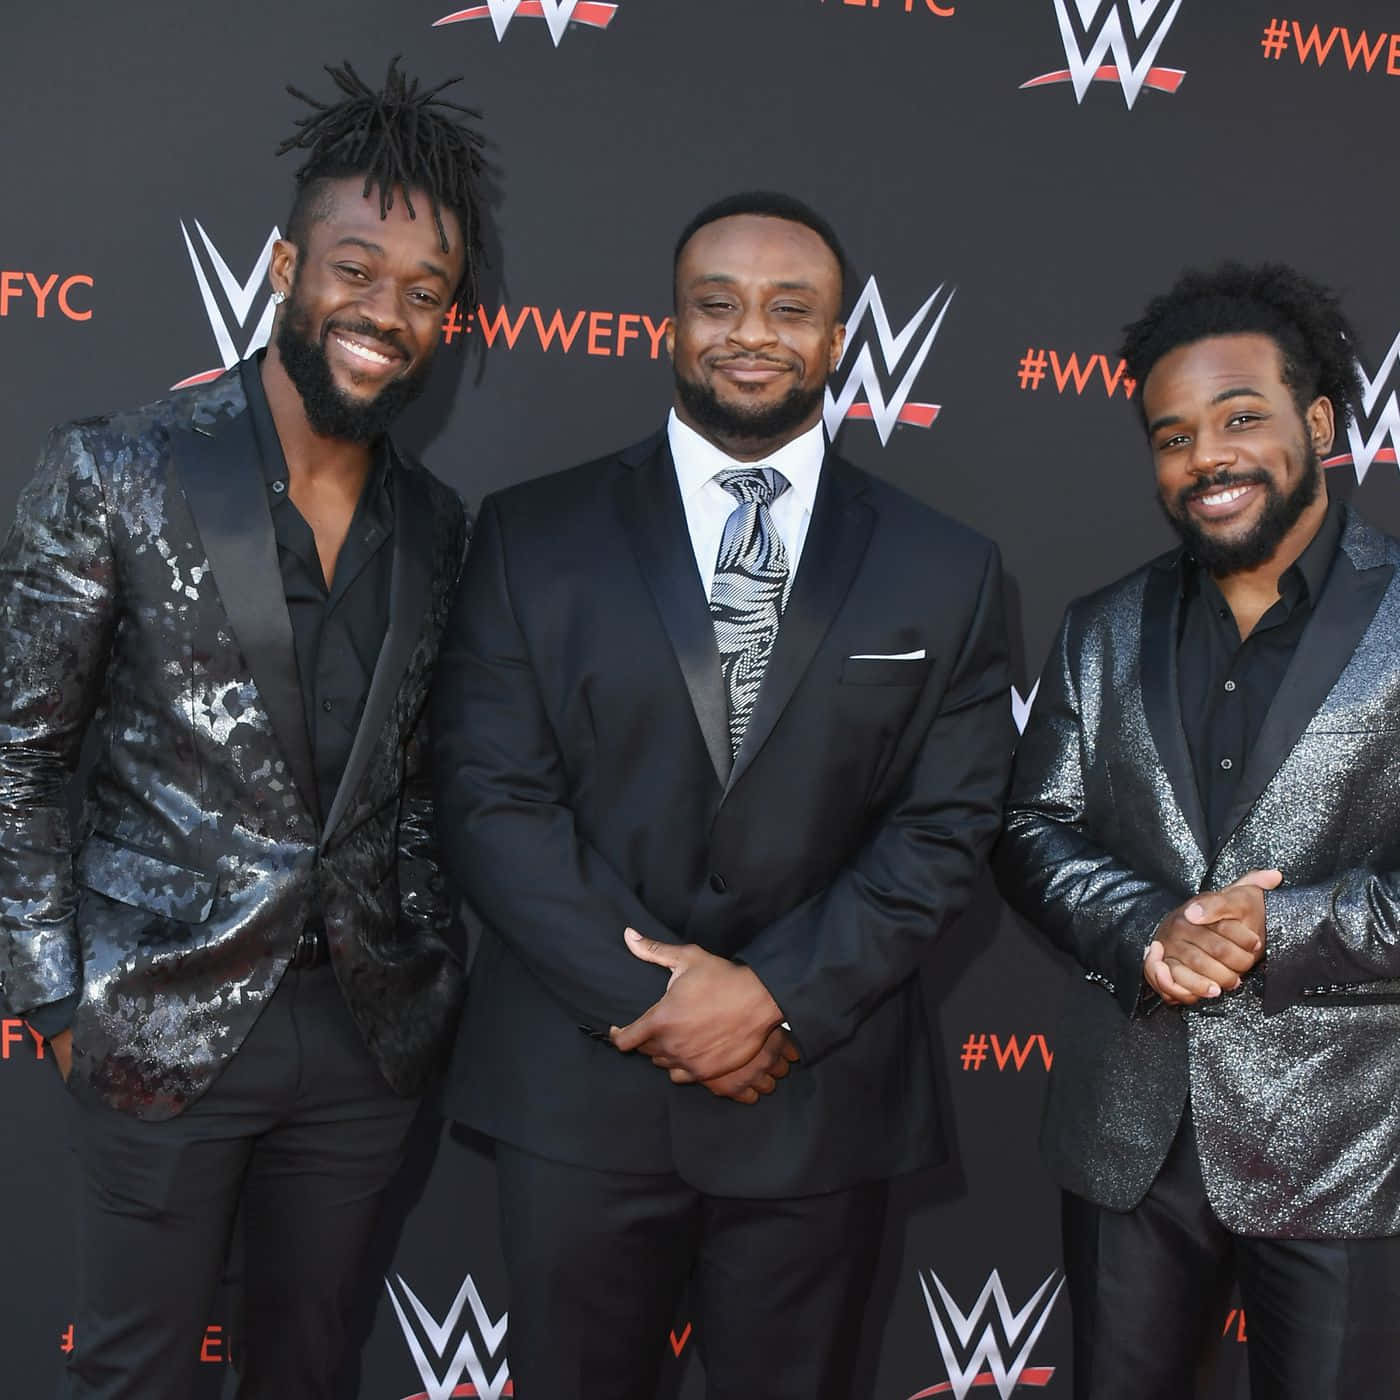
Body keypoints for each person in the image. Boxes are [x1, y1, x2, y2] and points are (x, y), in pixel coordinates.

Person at [432, 190, 1011, 1397]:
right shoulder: (528, 533)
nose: (751, 331)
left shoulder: (944, 566)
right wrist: (664, 1000)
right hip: (579, 1096)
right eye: (717, 303)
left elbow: (944, 828)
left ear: (837, 337)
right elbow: (492, 801)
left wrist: (774, 1000)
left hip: (813, 1093)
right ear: (668, 328)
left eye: (789, 307)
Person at [0, 59, 487, 1400]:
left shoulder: (442, 529)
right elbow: (17, 757)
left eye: (424, 290)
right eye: (353, 268)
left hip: (364, 1041)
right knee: (137, 1374)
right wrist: (53, 995)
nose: (383, 313)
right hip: (153, 1022)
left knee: (310, 1367)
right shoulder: (116, 468)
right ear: (285, 266)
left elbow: (431, 780)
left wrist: (428, 969)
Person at [996, 263, 1400, 1398]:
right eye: (1170, 436)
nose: (1203, 458)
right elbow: (1031, 826)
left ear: (1314, 421)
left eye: (1236, 418)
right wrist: (1147, 928)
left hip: (1349, 1145)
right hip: (1127, 1137)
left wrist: (1282, 924)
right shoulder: (1100, 626)